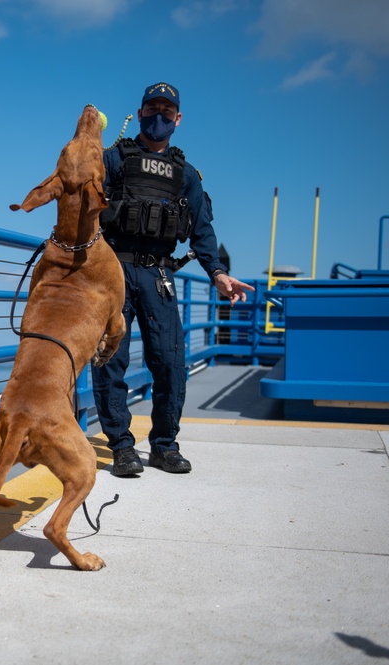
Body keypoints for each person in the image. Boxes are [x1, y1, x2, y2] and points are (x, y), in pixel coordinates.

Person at [93, 81, 254, 476]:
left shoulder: (186, 175)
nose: (158, 117)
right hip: (111, 271)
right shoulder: (113, 159)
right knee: (110, 361)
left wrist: (217, 273)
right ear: (140, 111)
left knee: (170, 363)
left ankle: (164, 446)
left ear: (178, 119)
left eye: (167, 111)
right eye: (152, 109)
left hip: (159, 275)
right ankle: (122, 448)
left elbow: (202, 230)